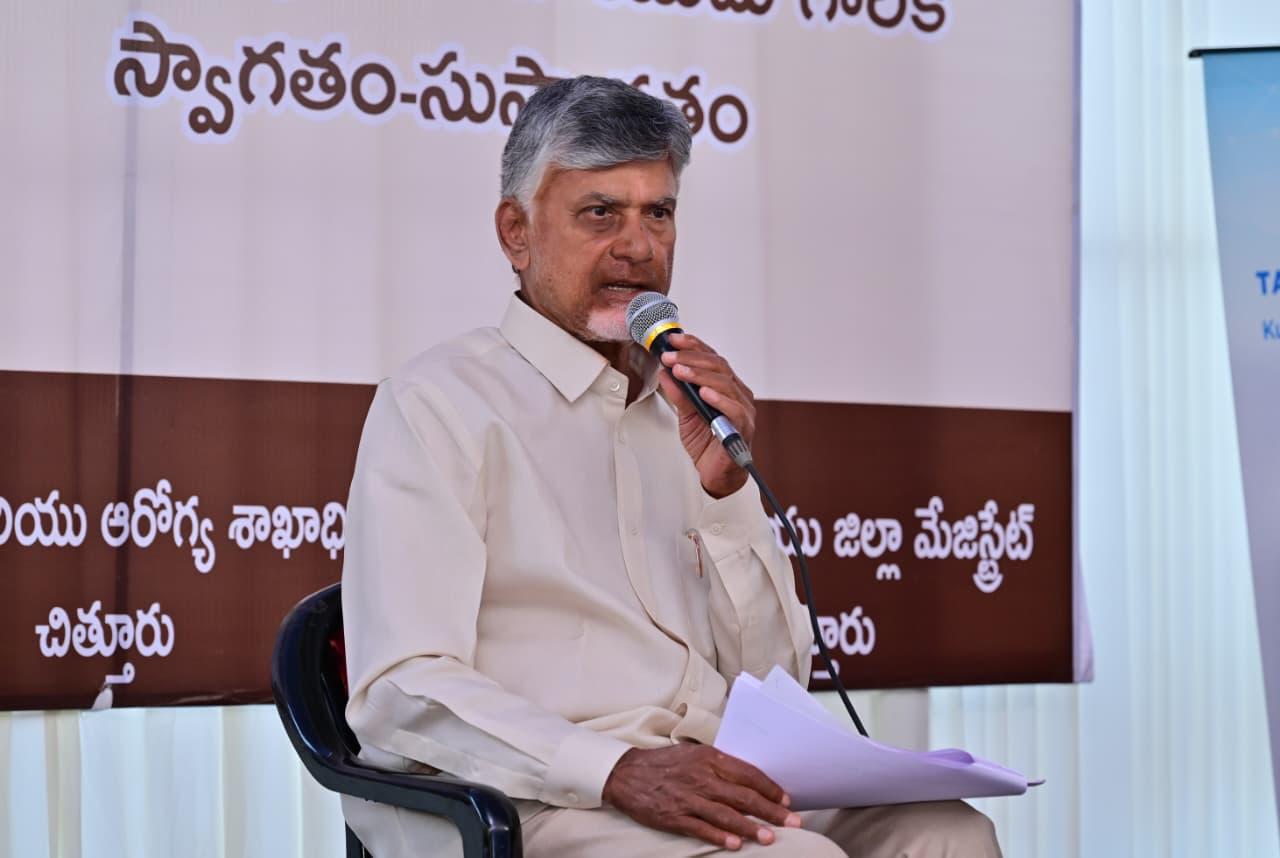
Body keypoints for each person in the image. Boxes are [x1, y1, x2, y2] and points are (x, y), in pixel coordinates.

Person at [341, 75, 1002, 857]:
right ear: (516, 233)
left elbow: (774, 678)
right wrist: (613, 768)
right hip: (531, 798)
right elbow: (403, 687)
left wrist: (723, 493)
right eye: (601, 214)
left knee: (948, 832)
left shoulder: (689, 406)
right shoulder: (438, 403)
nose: (639, 246)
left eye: (658, 212)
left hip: (705, 771)